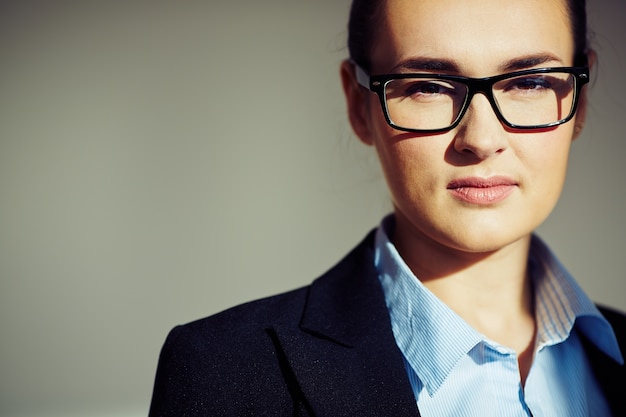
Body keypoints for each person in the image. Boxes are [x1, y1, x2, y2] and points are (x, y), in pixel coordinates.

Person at [148, 0, 626, 415]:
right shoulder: (225, 373)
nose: (481, 140)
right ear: (360, 105)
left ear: (579, 99)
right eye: (428, 87)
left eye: (529, 82)